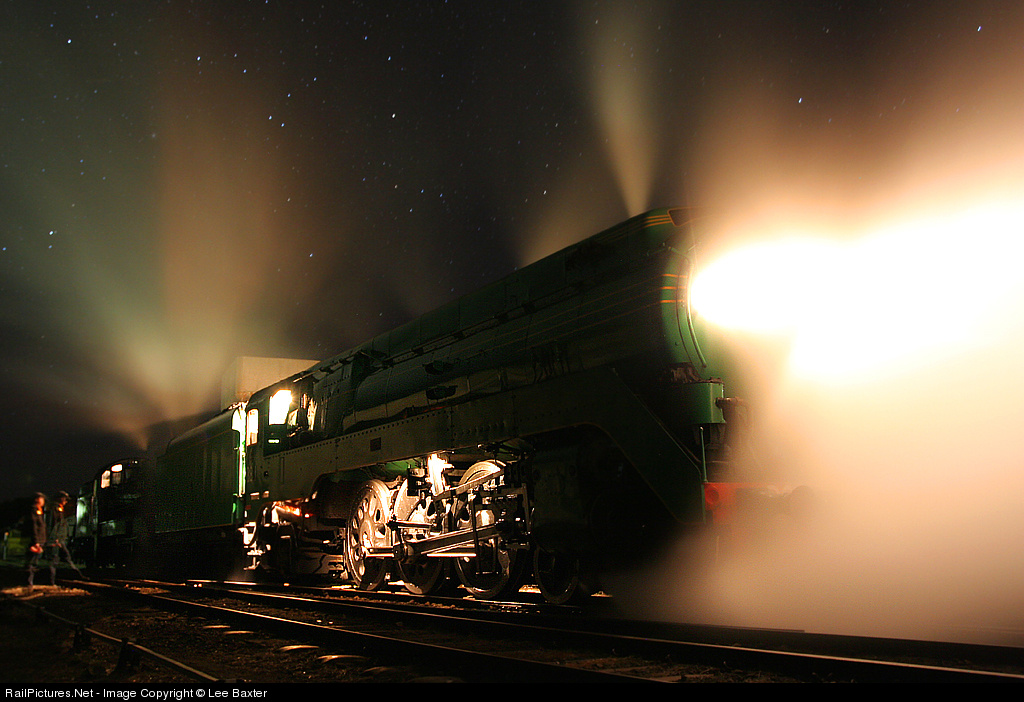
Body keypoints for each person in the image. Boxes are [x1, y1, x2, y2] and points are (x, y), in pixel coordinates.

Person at [47, 491, 84, 583]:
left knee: (66, 558)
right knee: (55, 560)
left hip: (60, 539)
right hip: (56, 539)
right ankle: (51, 580)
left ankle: (77, 576)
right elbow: (54, 524)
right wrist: (55, 538)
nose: (66, 502)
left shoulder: (60, 509)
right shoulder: (55, 509)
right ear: (61, 499)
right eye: (65, 499)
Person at [25, 493, 46, 592]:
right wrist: (36, 541)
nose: (43, 501)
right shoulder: (34, 510)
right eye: (42, 499)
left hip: (40, 539)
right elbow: (34, 526)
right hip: (36, 540)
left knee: (35, 562)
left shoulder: (40, 510)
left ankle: (31, 582)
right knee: (32, 562)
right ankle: (28, 583)